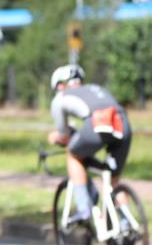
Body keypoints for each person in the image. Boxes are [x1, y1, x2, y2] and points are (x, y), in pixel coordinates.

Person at [47, 65, 132, 224]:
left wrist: (55, 138)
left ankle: (83, 208)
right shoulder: (95, 89)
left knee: (73, 155)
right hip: (123, 123)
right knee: (113, 179)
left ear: (60, 85)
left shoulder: (60, 98)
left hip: (99, 123)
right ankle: (126, 224)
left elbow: (64, 137)